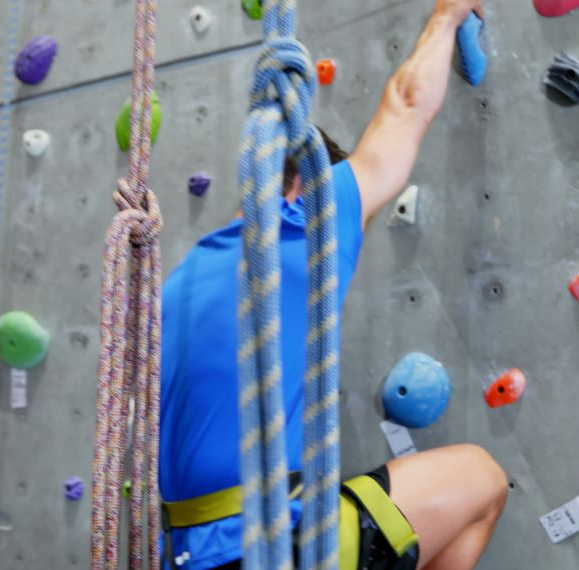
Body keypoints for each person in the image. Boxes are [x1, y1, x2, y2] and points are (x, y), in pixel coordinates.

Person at [160, 0, 507, 568]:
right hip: (265, 548)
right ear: (309, 186)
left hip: (181, 551)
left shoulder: (188, 274)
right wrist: (446, 18)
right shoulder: (309, 224)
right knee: (482, 478)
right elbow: (406, 107)